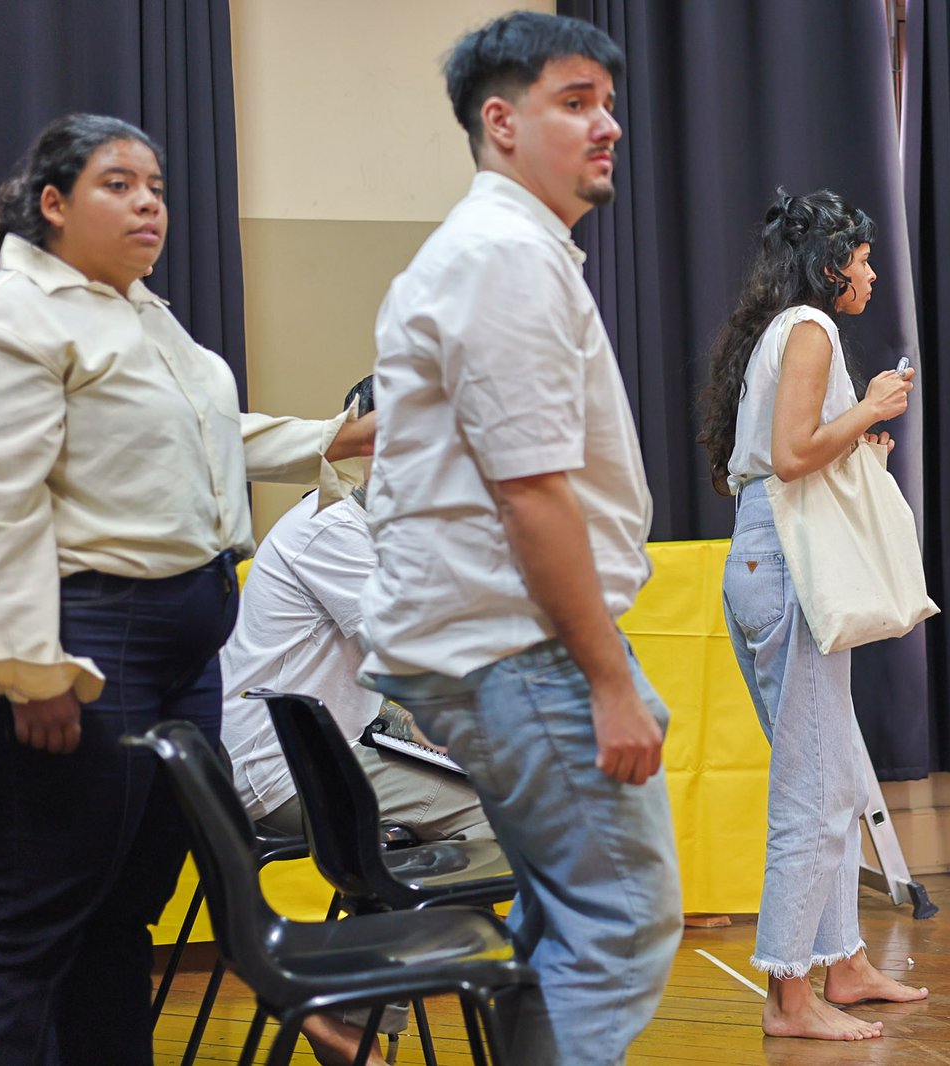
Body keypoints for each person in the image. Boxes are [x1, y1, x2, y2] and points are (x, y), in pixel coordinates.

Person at [0, 113, 372, 1066]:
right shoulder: (12, 319)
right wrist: (30, 670)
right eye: (119, 185)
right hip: (82, 640)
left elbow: (207, 434)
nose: (149, 206)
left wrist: (334, 437)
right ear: (52, 204)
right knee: (29, 922)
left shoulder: (139, 314)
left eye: (158, 189)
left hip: (176, 653)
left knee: (123, 913)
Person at [358, 12, 681, 1065]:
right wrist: (608, 680)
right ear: (501, 122)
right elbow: (532, 495)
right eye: (576, 102)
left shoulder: (507, 250)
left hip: (502, 645)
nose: (609, 126)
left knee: (565, 922)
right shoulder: (502, 256)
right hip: (519, 648)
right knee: (619, 923)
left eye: (609, 104)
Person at [697, 188, 929, 1040]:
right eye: (862, 260)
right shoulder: (810, 328)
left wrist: (855, 438)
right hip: (787, 562)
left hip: (767, 554)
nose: (871, 274)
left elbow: (781, 456)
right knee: (816, 787)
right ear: (831, 265)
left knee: (830, 773)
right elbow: (792, 456)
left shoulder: (781, 330)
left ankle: (847, 962)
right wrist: (870, 408)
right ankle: (789, 998)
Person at [220, 375, 491, 1065]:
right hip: (283, 771)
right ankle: (337, 1008)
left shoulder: (383, 531)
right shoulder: (333, 530)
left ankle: (348, 1014)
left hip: (327, 754)